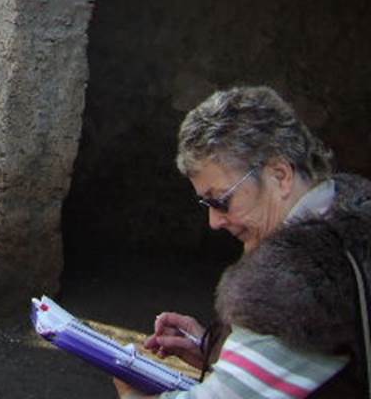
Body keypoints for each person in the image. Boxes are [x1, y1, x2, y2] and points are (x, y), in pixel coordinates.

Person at [114, 86, 371, 398]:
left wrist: (132, 395)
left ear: (280, 175)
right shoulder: (349, 215)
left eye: (221, 201)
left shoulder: (297, 286)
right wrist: (225, 353)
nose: (214, 222)